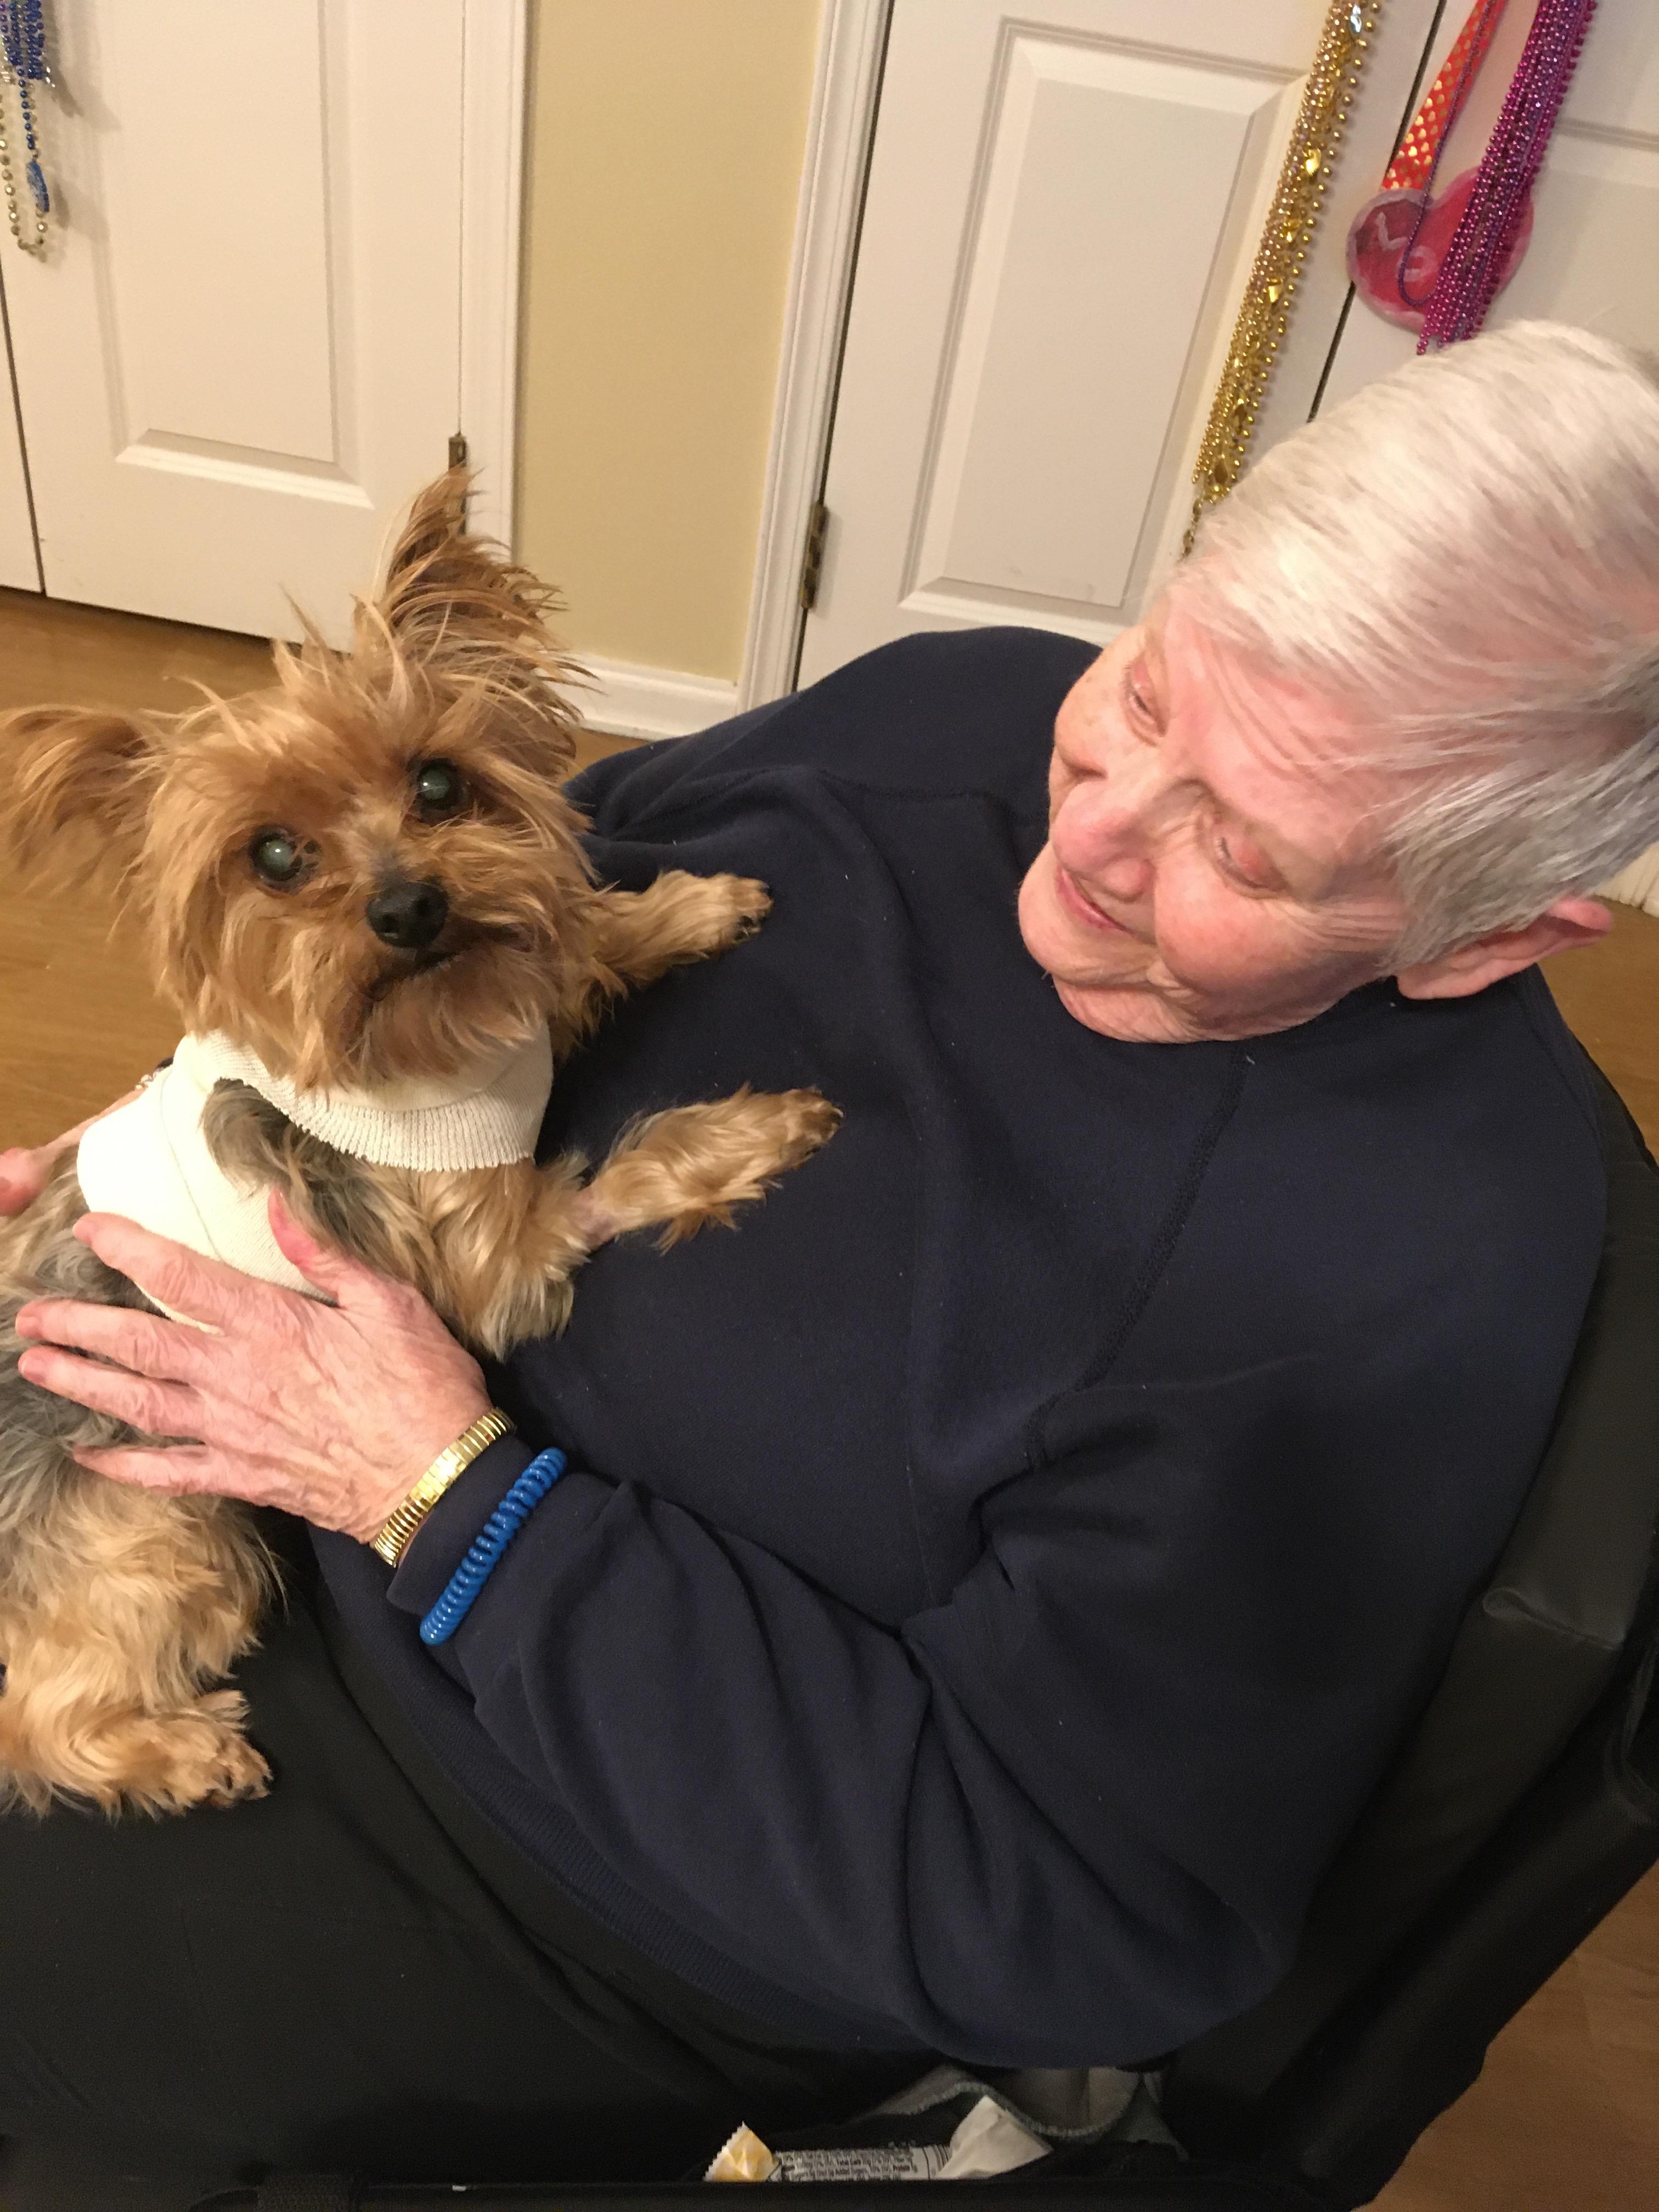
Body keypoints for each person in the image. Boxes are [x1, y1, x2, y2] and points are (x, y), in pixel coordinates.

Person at [2, 320, 1657, 2193]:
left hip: (511, 1857)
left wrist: (450, 1500)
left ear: (1490, 936)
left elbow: (1076, 1917)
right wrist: (159, 1150)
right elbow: (516, 874)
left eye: (1245, 851)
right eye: (1153, 693)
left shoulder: (1386, 1289)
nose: (1093, 831)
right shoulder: (961, 706)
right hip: (220, 1463)